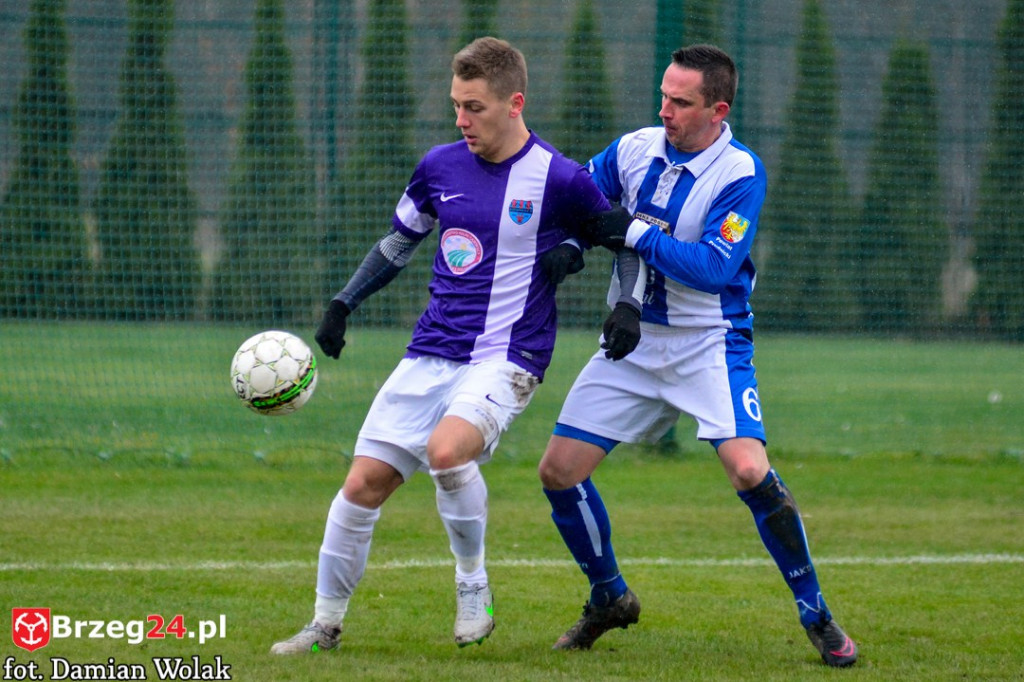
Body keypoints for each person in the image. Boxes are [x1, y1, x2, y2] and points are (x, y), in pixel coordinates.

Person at [270, 36, 644, 655]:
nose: (461, 120)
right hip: (430, 352)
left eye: (475, 107)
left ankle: (474, 586)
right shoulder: (438, 166)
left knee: (447, 452)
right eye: (456, 106)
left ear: (514, 102)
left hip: (507, 356)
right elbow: (398, 243)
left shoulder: (559, 176)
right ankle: (324, 624)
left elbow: (622, 240)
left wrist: (624, 303)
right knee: (361, 486)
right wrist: (344, 302)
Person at [537, 44, 859, 668]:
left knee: (747, 471)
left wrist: (630, 231)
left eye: (681, 102)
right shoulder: (634, 148)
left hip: (710, 343)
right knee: (557, 471)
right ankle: (608, 597)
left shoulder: (740, 173)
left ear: (718, 109)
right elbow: (586, 206)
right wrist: (574, 247)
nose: (666, 111)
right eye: (663, 95)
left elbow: (714, 267)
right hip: (632, 343)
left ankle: (816, 613)